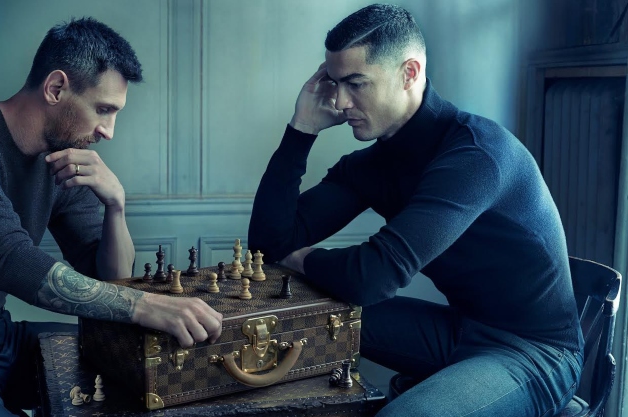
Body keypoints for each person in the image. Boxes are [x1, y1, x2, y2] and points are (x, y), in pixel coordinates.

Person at [0, 17, 223, 417]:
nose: (109, 131)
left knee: (137, 363)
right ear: (55, 88)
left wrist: (115, 206)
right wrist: (142, 305)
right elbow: (7, 259)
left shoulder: (62, 159)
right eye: (103, 110)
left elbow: (108, 278)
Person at [248, 4, 582, 417]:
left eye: (356, 83)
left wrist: (301, 259)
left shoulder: (476, 155)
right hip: (458, 330)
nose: (339, 100)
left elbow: (373, 277)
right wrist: (301, 129)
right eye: (334, 83)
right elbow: (267, 242)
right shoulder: (375, 164)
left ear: (409, 73)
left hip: (535, 353)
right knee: (293, 319)